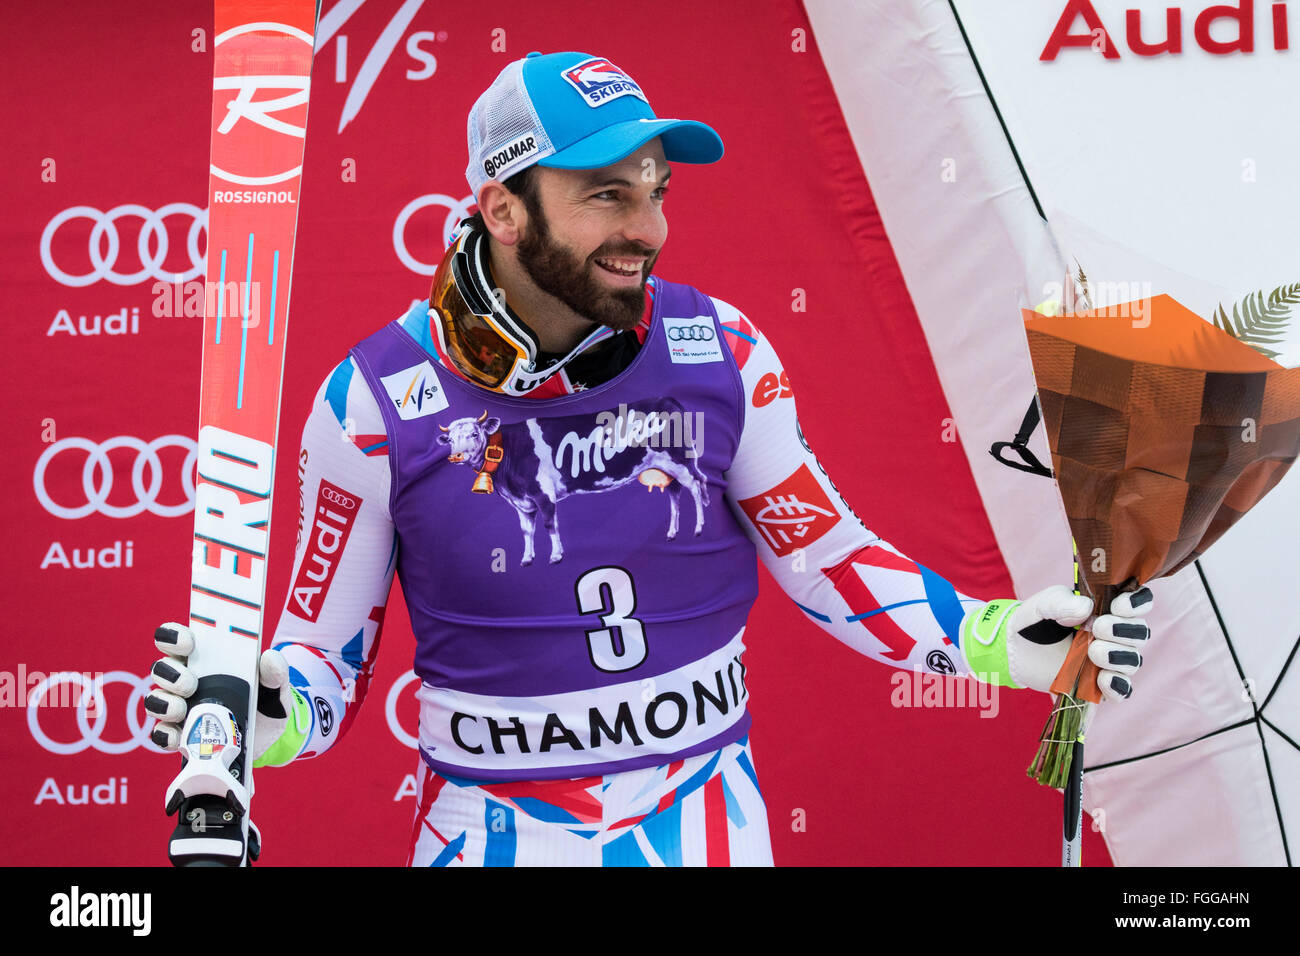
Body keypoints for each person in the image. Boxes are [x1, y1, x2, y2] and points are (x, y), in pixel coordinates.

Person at [147, 51, 1154, 866]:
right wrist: (257, 713)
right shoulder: (369, 401)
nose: (650, 229)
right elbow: (319, 674)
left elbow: (827, 558)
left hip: (704, 825)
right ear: (502, 211)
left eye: (655, 191)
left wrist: (996, 640)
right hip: (491, 835)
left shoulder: (721, 351)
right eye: (605, 196)